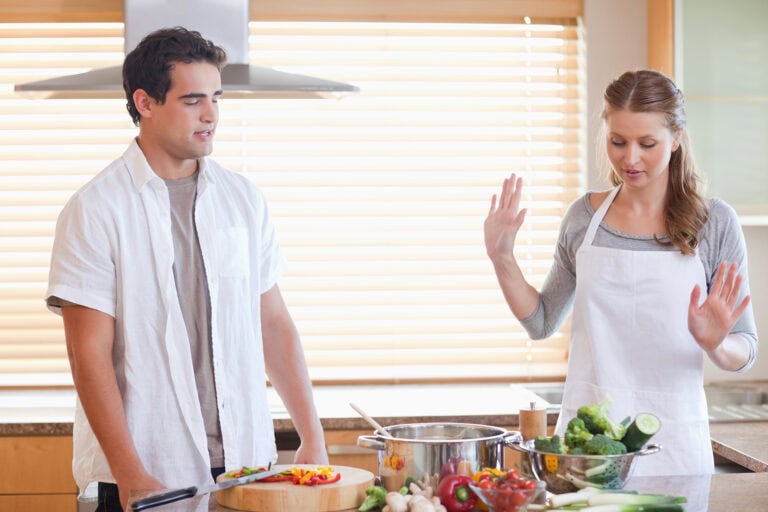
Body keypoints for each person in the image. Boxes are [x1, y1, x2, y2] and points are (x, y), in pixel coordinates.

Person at [46, 27, 328, 511]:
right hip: (145, 475)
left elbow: (273, 324)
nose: (211, 114)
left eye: (216, 97)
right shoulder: (96, 210)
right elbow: (88, 355)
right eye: (193, 99)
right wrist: (132, 474)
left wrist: (312, 437)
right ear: (146, 102)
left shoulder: (243, 200)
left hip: (245, 467)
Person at [484, 69, 758, 476]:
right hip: (586, 446)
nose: (630, 158)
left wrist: (716, 344)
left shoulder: (713, 222)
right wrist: (502, 257)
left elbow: (745, 350)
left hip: (675, 445)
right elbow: (541, 322)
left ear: (676, 139)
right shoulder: (584, 218)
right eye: (618, 142)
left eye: (647, 143)